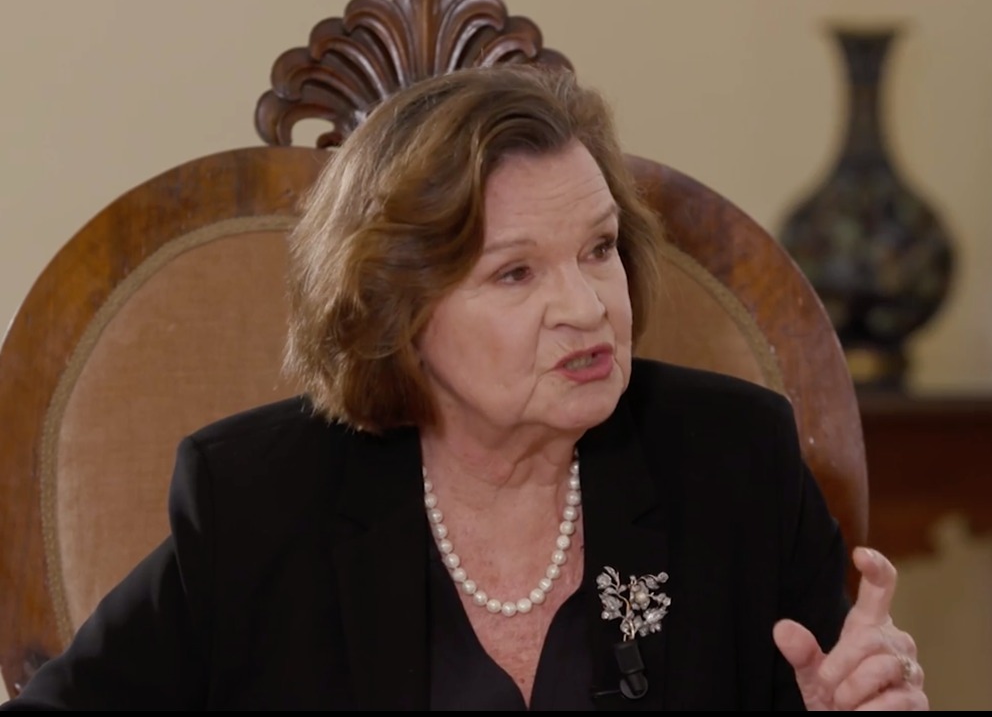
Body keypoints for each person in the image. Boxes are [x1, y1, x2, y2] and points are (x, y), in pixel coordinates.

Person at [2, 64, 928, 711]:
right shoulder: (260, 500)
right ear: (398, 311)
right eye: (515, 273)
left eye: (599, 249)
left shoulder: (732, 459)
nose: (587, 308)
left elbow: (832, 684)